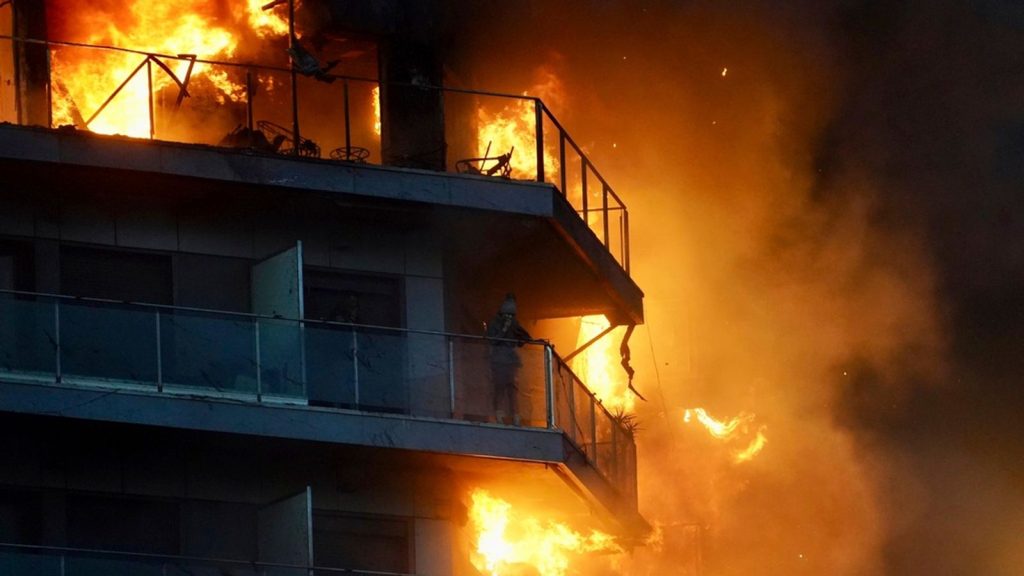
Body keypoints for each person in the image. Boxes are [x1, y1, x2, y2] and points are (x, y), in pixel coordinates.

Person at [486, 293, 532, 425]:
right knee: (499, 387)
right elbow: (492, 340)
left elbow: (525, 336)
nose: (509, 318)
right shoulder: (495, 323)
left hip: (510, 361)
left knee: (512, 389)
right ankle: (498, 414)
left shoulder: (513, 324)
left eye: (511, 315)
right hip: (499, 360)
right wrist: (504, 330)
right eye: (507, 315)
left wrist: (519, 339)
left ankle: (515, 416)